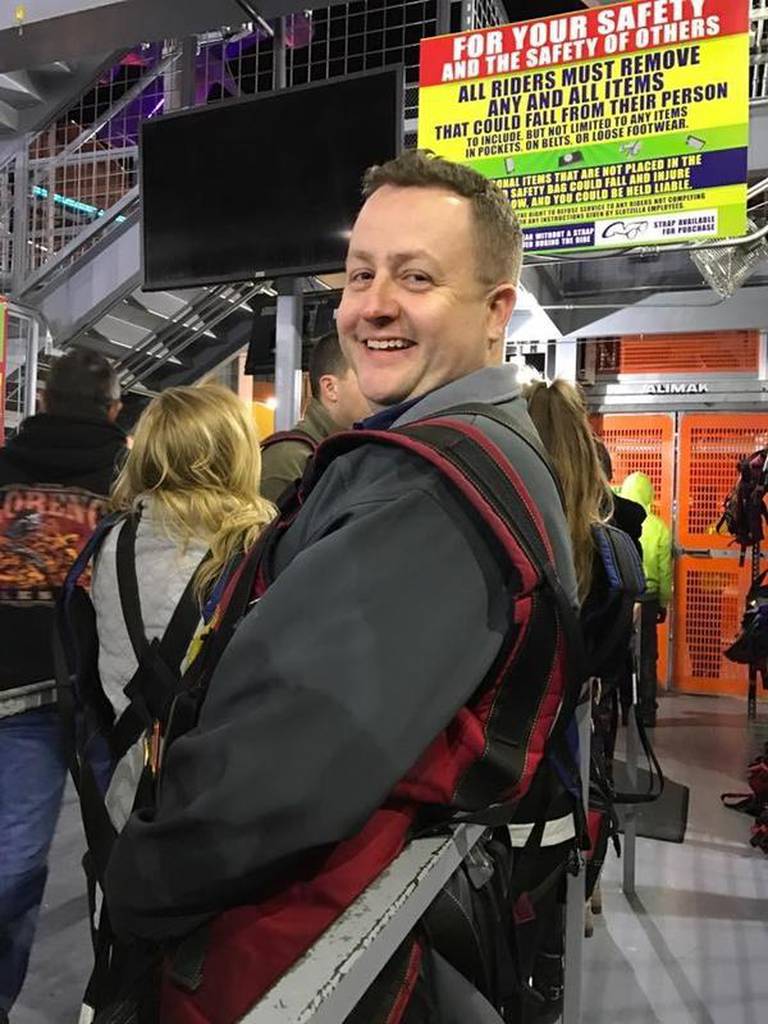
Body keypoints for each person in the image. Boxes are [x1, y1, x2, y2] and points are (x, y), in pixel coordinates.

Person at [102, 151, 579, 1020]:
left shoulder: (431, 489)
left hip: (283, 941)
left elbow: (282, 760)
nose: (373, 305)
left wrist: (137, 879)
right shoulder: (459, 452)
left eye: (417, 277)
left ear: (496, 310)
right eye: (360, 274)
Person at [0, 349, 126, 1021]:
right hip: (109, 702)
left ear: (41, 403)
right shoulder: (131, 481)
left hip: (14, 699)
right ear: (114, 410)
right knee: (127, 863)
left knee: (12, 872)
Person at [91, 384, 275, 831]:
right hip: (227, 793)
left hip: (128, 792)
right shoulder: (256, 540)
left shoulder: (111, 541)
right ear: (237, 451)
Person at [259, 331, 370, 501]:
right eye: (365, 375)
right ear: (330, 388)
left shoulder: (348, 449)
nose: (377, 387)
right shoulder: (289, 459)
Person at [620, 472, 673, 727]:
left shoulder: (618, 522)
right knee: (647, 655)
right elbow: (665, 571)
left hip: (624, 598)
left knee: (620, 652)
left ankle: (623, 709)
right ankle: (647, 711)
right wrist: (664, 602)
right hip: (649, 599)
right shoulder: (659, 527)